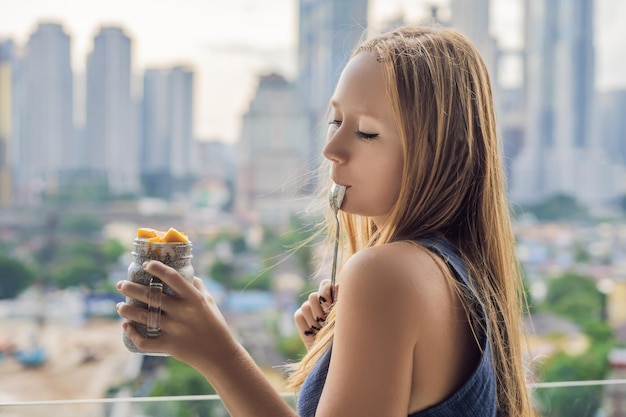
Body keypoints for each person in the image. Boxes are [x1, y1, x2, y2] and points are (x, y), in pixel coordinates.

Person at [116, 25, 536, 417]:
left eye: (367, 132)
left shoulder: (386, 273)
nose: (332, 148)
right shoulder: (459, 271)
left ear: (444, 152)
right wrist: (342, 355)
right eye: (336, 121)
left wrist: (217, 353)